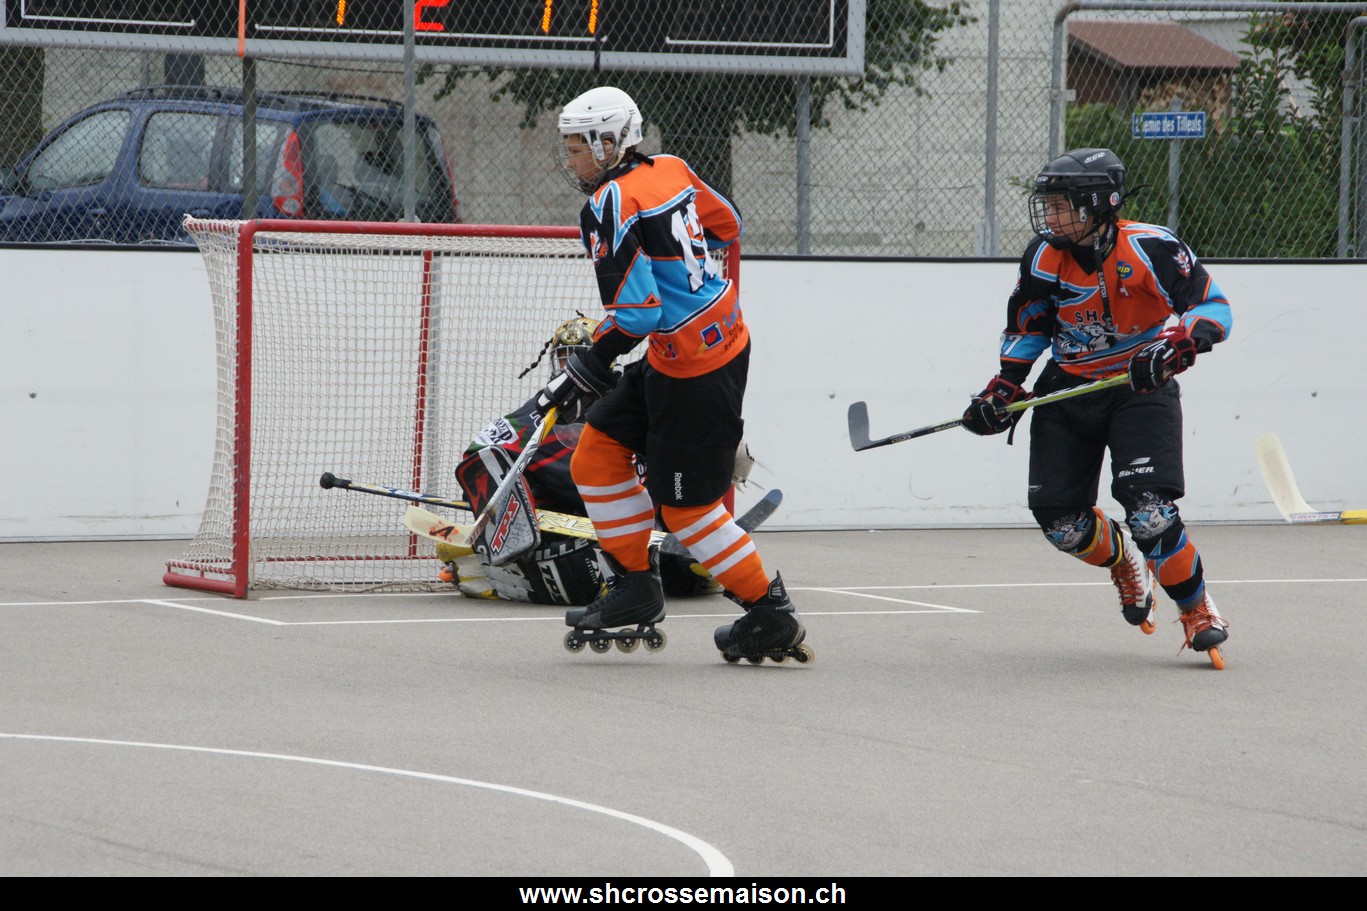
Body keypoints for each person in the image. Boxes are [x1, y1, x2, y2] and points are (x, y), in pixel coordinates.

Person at [534, 85, 808, 662]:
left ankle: (771, 613)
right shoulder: (671, 168)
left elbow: (639, 315)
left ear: (609, 143)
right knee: (596, 456)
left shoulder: (608, 203)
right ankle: (636, 585)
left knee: (688, 511)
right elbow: (728, 224)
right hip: (691, 351)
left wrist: (586, 364)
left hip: (695, 370)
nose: (571, 160)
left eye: (579, 148)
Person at [961, 147, 1231, 666]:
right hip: (1069, 389)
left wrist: (1177, 345)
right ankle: (1124, 560)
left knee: (1149, 512)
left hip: (1139, 387)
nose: (1050, 216)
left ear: (1099, 204)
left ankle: (1196, 608)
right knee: (1061, 523)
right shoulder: (1042, 257)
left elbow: (1213, 306)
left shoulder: (1151, 246)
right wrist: (1004, 389)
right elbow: (1028, 325)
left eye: (1061, 205)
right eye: (1047, 205)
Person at [445, 315, 727, 604]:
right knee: (575, 571)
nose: (570, 367)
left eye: (579, 357)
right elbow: (482, 448)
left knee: (682, 570)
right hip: (571, 514)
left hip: (636, 510)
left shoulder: (629, 401)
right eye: (563, 358)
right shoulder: (545, 406)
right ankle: (484, 567)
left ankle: (697, 557)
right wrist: (500, 502)